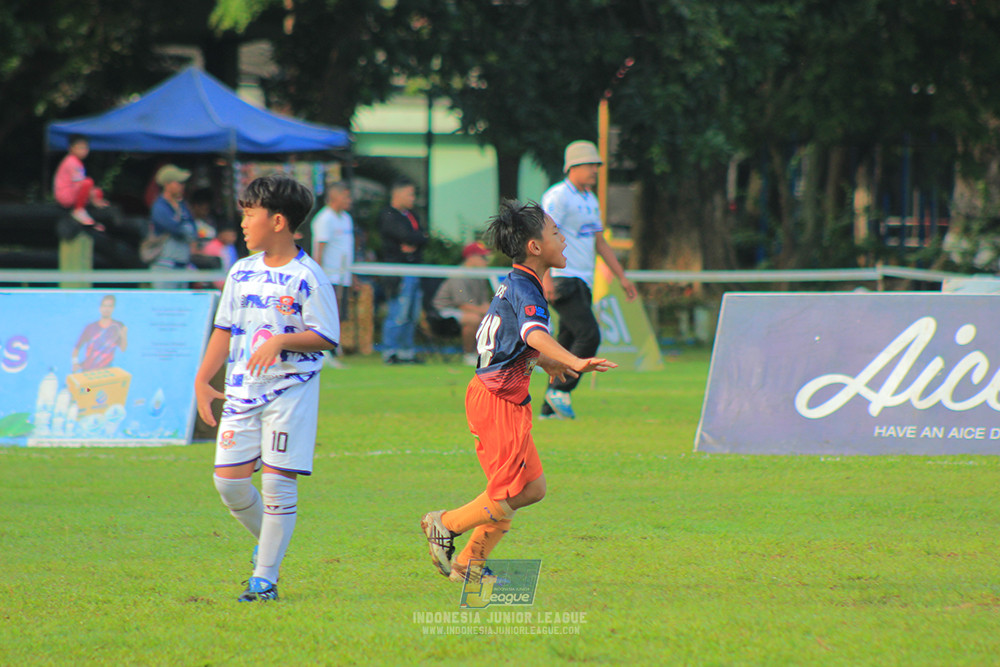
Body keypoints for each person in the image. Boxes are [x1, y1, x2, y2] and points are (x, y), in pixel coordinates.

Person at [420, 200, 617, 583]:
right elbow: (533, 334)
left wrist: (546, 362)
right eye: (556, 232)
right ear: (535, 247)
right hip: (496, 402)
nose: (563, 239)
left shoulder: (516, 283)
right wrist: (574, 360)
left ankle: (466, 563)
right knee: (511, 490)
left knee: (531, 488)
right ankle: (445, 525)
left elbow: (508, 343)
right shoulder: (527, 288)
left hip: (502, 397)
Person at [193, 174, 340, 603]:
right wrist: (203, 379)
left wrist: (280, 340)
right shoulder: (240, 271)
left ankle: (265, 580)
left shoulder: (308, 277)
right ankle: (270, 545)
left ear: (277, 221)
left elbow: (326, 335)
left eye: (249, 213)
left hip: (290, 390)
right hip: (242, 389)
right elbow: (224, 328)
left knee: (278, 484)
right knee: (229, 484)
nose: (242, 222)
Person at [539, 140, 638, 420]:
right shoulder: (558, 196)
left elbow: (599, 243)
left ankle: (549, 410)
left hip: (584, 279)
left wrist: (622, 277)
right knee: (589, 334)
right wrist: (545, 278)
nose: (595, 170)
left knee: (568, 341)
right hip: (562, 277)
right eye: (590, 164)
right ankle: (560, 390)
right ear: (573, 166)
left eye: (596, 165)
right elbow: (545, 236)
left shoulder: (590, 200)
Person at [378, 178, 429, 364]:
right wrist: (414, 238)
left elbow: (423, 237)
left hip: (414, 270)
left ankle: (406, 352)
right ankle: (390, 352)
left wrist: (416, 239)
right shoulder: (388, 215)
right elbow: (404, 236)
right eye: (409, 194)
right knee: (398, 313)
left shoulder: (412, 215)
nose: (412, 198)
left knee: (412, 314)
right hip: (397, 273)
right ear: (397, 194)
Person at [309, 181, 355, 367]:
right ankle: (324, 352)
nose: (349, 200)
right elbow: (320, 248)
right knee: (327, 315)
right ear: (334, 196)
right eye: (345, 196)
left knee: (339, 315)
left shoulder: (346, 218)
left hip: (343, 276)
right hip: (329, 276)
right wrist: (317, 276)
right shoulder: (325, 219)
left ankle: (333, 350)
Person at [431, 241, 493, 366]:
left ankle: (485, 354)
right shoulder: (459, 274)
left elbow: (484, 302)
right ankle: (469, 355)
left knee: (492, 319)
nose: (486, 260)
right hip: (444, 312)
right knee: (473, 319)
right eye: (482, 257)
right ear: (471, 257)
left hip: (466, 310)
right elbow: (462, 305)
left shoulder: (480, 276)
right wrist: (484, 311)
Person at [149, 165, 197, 289]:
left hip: (182, 264)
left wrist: (185, 228)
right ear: (167, 184)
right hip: (165, 265)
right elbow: (175, 228)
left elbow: (193, 228)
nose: (182, 186)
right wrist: (184, 228)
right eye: (179, 183)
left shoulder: (182, 206)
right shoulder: (160, 206)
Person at [53, 135, 108, 230]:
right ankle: (79, 210)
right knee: (88, 182)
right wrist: (93, 198)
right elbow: (80, 184)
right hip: (65, 196)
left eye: (86, 148)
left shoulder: (76, 162)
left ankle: (93, 218)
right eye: (80, 148)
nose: (84, 151)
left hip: (72, 192)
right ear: (71, 149)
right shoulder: (72, 162)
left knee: (97, 191)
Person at [71, 294, 127, 372]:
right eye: (104, 306)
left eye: (109, 306)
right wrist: (75, 363)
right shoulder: (90, 328)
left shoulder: (118, 326)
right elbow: (76, 348)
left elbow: (123, 348)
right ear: (100, 308)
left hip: (106, 372)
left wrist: (123, 335)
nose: (106, 309)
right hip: (88, 371)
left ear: (113, 308)